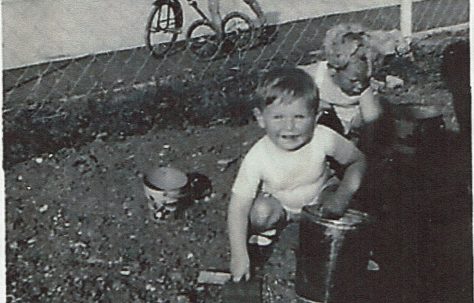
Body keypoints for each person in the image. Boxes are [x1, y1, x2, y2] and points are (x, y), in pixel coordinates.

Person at [227, 67, 367, 282]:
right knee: (260, 212)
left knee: (350, 205)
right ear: (260, 118)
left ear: (316, 116)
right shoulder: (257, 156)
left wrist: (343, 195)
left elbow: (358, 161)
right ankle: (269, 234)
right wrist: (239, 255)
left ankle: (346, 245)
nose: (289, 126)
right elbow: (238, 205)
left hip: (319, 201)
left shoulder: (322, 138)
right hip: (281, 206)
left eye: (299, 116)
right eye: (278, 117)